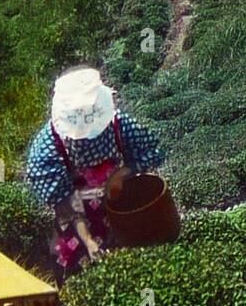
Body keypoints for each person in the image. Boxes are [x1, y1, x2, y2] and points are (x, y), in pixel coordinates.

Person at [25, 66, 164, 279]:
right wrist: (88, 240)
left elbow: (153, 151)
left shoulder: (119, 124)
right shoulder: (48, 146)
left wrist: (121, 174)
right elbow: (64, 201)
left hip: (120, 213)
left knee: (133, 272)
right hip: (76, 227)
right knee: (81, 279)